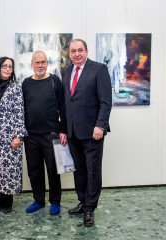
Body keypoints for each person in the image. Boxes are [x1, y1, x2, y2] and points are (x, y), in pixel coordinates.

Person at [62, 39, 112, 227]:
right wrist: (64, 129)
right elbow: (66, 103)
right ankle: (83, 202)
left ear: (86, 51)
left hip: (93, 132)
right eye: (73, 51)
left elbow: (106, 101)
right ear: (69, 53)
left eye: (80, 50)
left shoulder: (99, 69)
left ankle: (90, 208)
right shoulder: (66, 71)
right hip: (73, 132)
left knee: (92, 171)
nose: (77, 54)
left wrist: (100, 125)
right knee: (79, 171)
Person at [22, 51, 67, 215]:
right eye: (37, 62)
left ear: (47, 64)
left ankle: (55, 201)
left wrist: (63, 130)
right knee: (34, 170)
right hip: (31, 135)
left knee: (53, 169)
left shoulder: (55, 81)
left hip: (51, 134)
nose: (40, 65)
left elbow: (63, 107)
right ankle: (38, 200)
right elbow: (22, 110)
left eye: (43, 62)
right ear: (32, 64)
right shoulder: (26, 83)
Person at [0, 56, 27, 214]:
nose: (8, 69)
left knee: (9, 169)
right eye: (4, 66)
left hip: (10, 135)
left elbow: (20, 112)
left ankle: (8, 200)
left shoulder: (16, 87)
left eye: (10, 66)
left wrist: (18, 135)